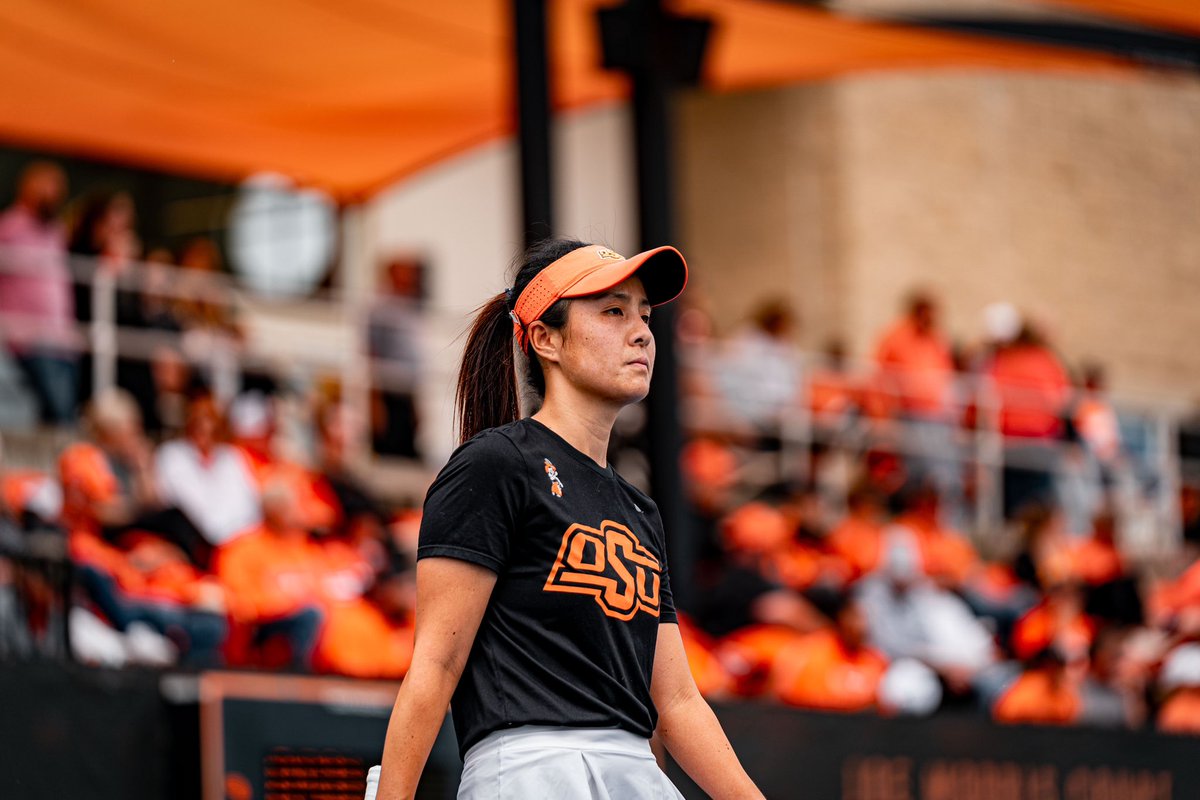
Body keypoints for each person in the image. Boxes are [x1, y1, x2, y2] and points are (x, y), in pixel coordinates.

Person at [374, 239, 763, 799]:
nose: (642, 332)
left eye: (645, 315)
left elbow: (677, 702)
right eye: (613, 311)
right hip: (532, 770)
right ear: (545, 339)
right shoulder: (495, 464)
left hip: (632, 771)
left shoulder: (639, 508)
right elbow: (436, 663)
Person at [0, 161, 78, 423]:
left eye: (56, 188)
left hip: (61, 340)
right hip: (28, 336)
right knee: (58, 414)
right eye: (45, 186)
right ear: (27, 188)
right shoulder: (10, 227)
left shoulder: (56, 232)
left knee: (59, 412)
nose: (51, 194)